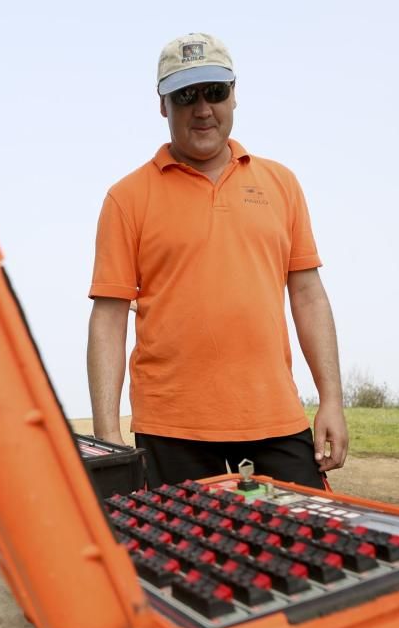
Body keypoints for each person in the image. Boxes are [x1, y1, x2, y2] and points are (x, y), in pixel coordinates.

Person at [87, 32, 348, 490]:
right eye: (186, 95)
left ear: (234, 93)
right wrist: (108, 433)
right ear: (163, 104)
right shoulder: (126, 199)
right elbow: (108, 319)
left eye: (215, 91)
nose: (202, 108)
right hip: (171, 427)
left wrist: (331, 399)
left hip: (273, 416)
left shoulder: (281, 183)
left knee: (300, 551)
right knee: (183, 559)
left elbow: (308, 295)